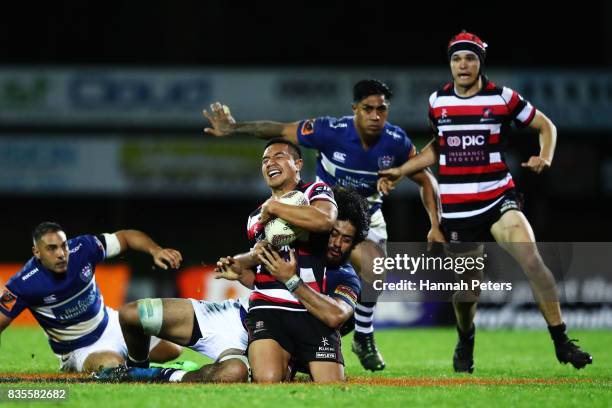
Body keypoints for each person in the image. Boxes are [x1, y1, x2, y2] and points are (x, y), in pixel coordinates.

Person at [378, 31, 592, 372]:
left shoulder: (503, 98)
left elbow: (546, 126)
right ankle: (466, 337)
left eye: (471, 58)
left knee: (533, 261)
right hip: (458, 209)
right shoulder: (438, 102)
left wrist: (544, 156)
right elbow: (439, 146)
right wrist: (402, 170)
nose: (463, 64)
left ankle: (562, 340)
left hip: (498, 197)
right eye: (457, 59)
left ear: (480, 63)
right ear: (450, 64)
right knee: (467, 295)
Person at [202, 79, 443, 371]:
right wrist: (235, 129)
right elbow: (279, 131)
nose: (376, 115)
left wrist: (435, 224)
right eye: (368, 109)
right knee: (304, 263)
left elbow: (426, 179)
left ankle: (363, 335)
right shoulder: (330, 130)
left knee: (374, 268)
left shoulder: (396, 141)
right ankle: (283, 330)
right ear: (355, 109)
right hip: (322, 211)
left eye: (382, 109)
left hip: (365, 216)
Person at [95, 186, 366, 384]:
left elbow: (326, 321)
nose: (336, 243)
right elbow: (260, 276)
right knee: (134, 315)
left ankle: (162, 375)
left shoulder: (343, 277)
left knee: (233, 374)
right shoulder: (293, 247)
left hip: (262, 342)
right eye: (334, 234)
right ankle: (135, 369)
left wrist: (290, 280)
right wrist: (240, 270)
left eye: (346, 239)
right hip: (238, 317)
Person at [0, 222, 183, 373]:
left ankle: (134, 366)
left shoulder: (84, 248)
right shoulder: (23, 284)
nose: (61, 254)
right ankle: (138, 369)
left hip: (110, 324)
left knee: (173, 348)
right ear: (37, 252)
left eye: (63, 245)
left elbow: (126, 236)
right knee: (112, 365)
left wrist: (156, 250)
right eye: (51, 249)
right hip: (79, 348)